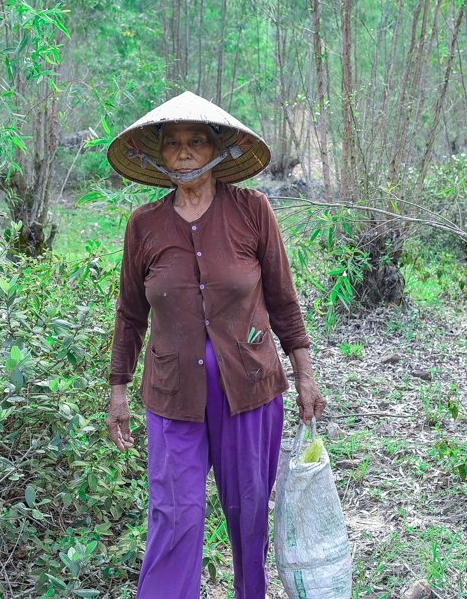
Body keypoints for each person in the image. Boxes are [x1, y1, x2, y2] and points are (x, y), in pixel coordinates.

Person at [105, 91, 327, 598]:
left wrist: (305, 376)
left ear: (217, 150)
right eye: (174, 143)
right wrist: (118, 390)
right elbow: (130, 314)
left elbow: (284, 303)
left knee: (249, 515)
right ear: (159, 154)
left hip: (249, 391)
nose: (184, 152)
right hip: (171, 396)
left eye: (197, 142)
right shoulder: (144, 225)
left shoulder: (253, 212)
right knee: (174, 516)